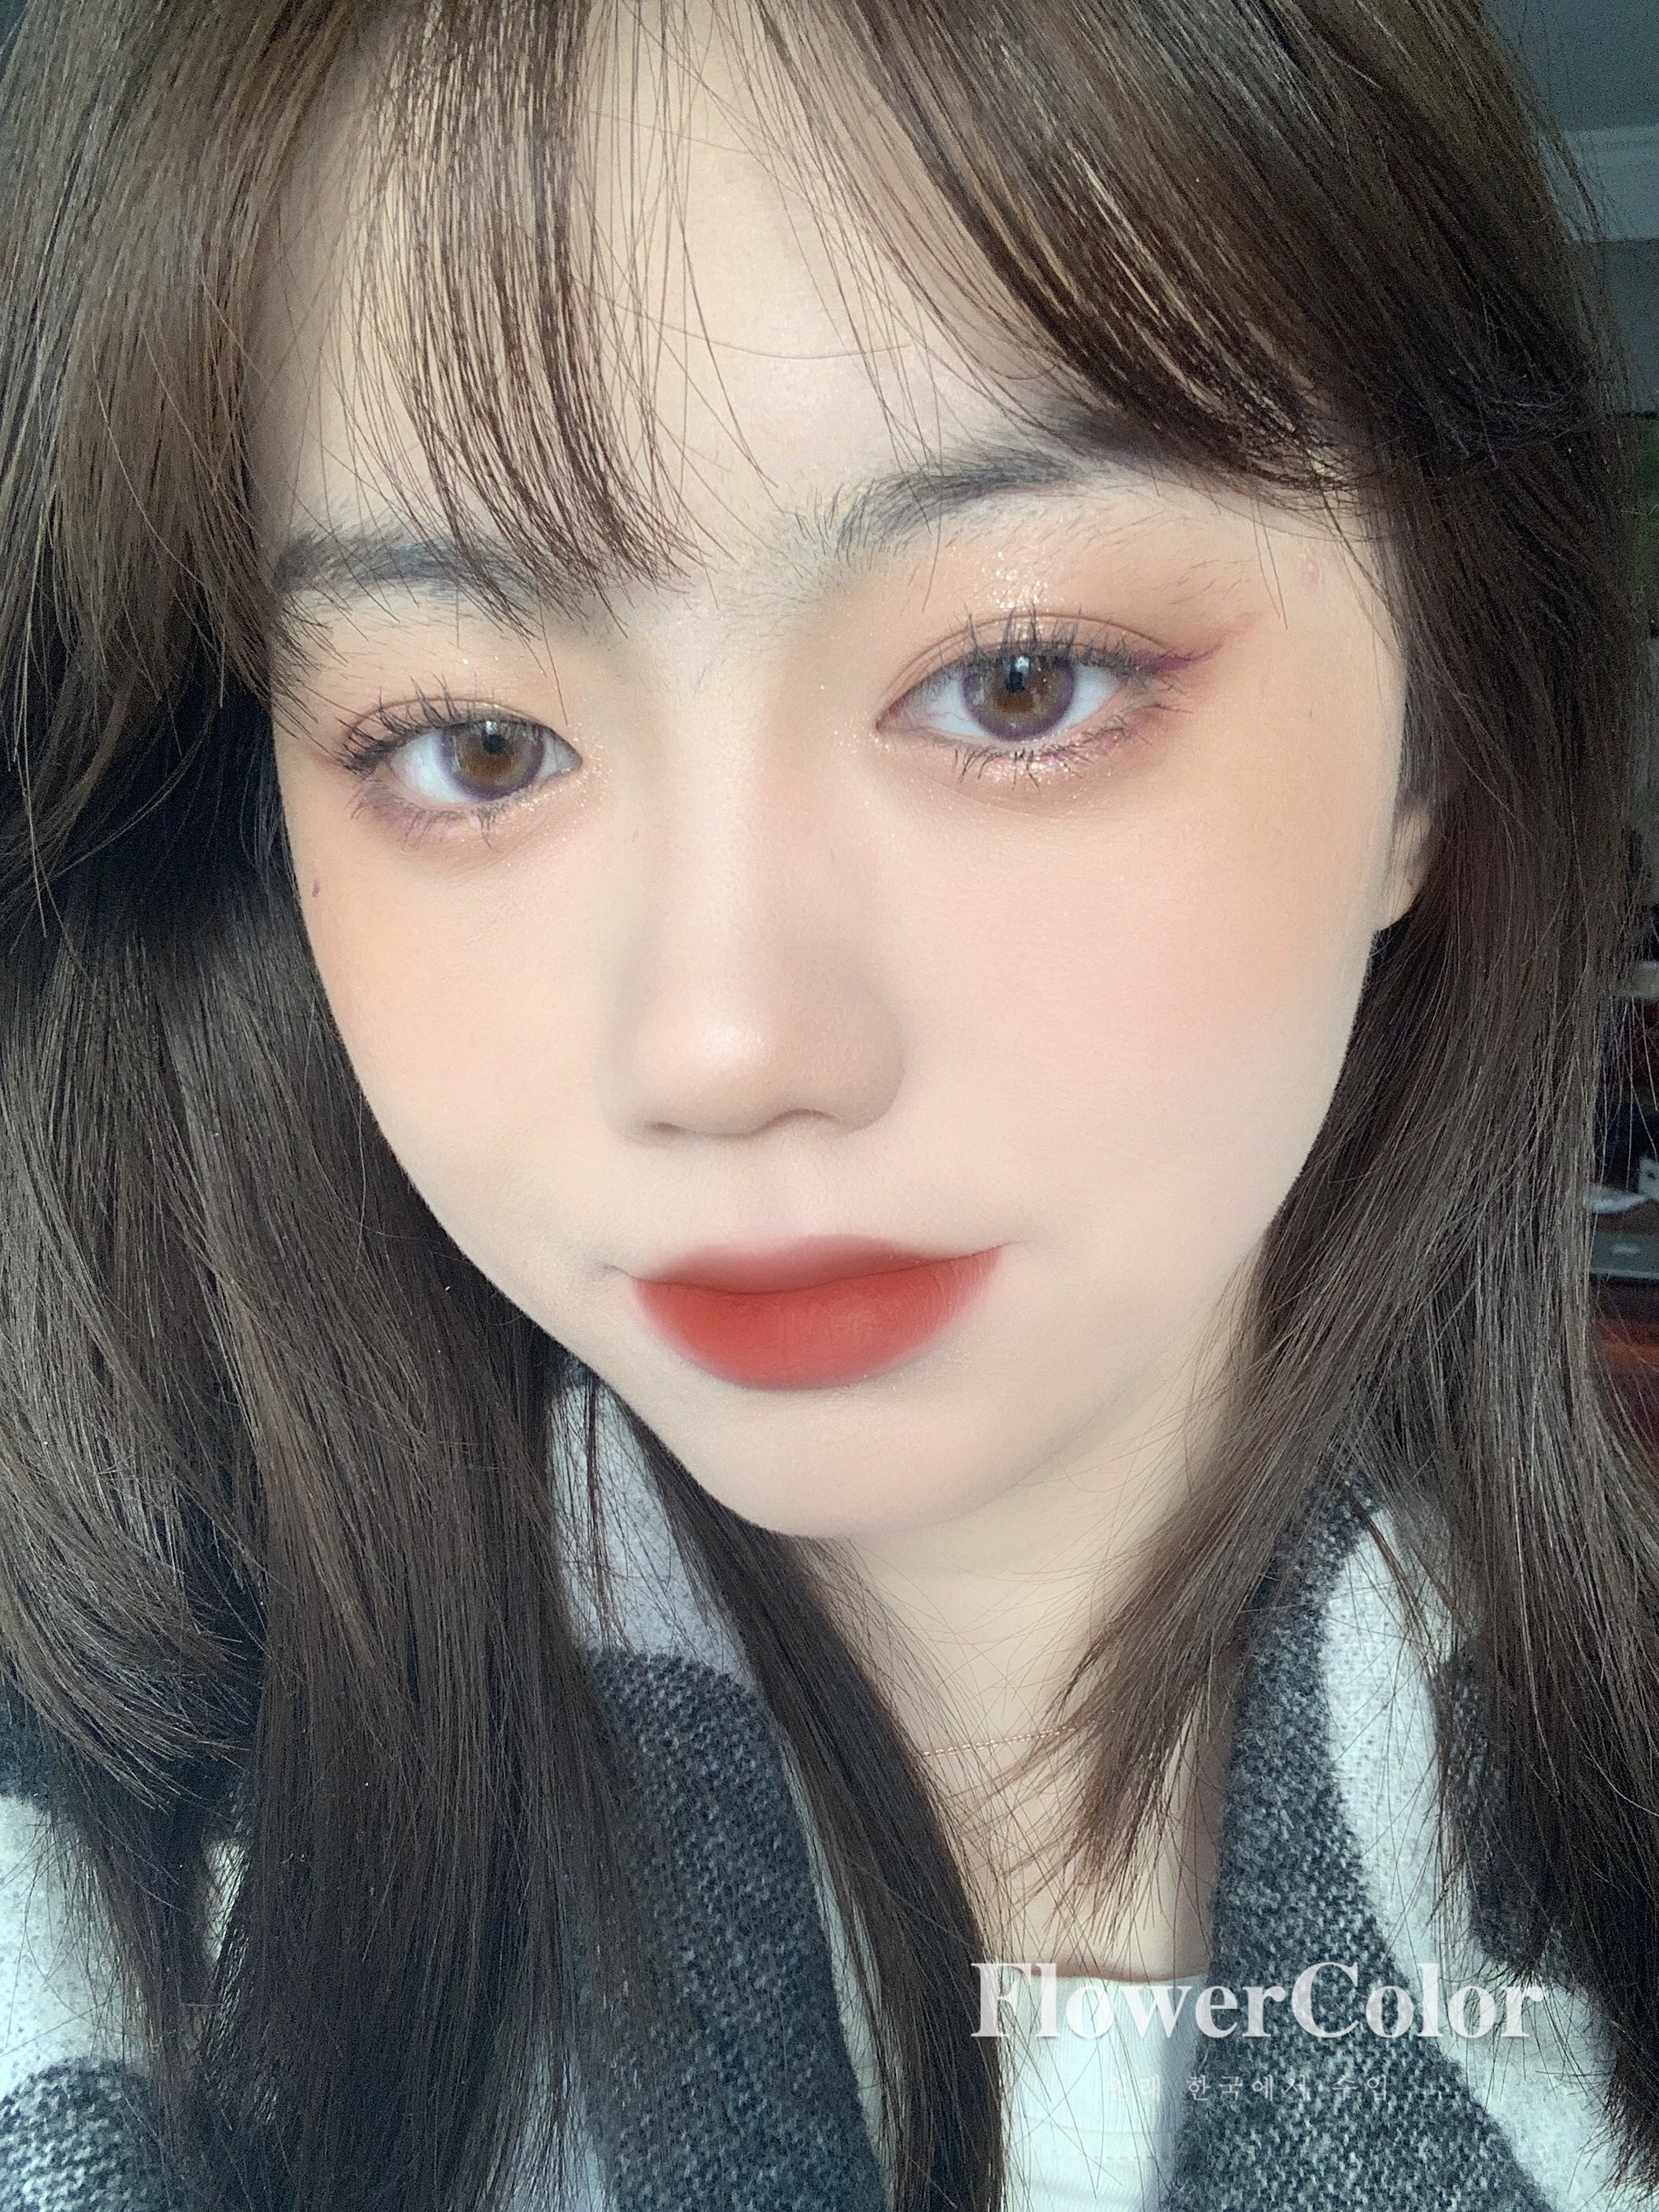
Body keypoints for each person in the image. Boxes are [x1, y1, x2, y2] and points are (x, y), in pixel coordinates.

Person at [0, 0, 1653, 2206]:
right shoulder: (101, 1896)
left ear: (1434, 749)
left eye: (1019, 680)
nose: (722, 1042)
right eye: (475, 745)